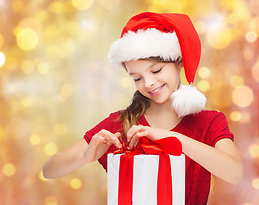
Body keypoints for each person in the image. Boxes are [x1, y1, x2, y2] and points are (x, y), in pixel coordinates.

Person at [42, 12, 243, 204]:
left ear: (178, 62)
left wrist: (174, 140)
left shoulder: (208, 122)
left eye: (156, 70)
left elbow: (234, 172)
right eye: (137, 78)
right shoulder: (122, 123)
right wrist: (84, 156)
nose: (148, 83)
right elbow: (49, 169)